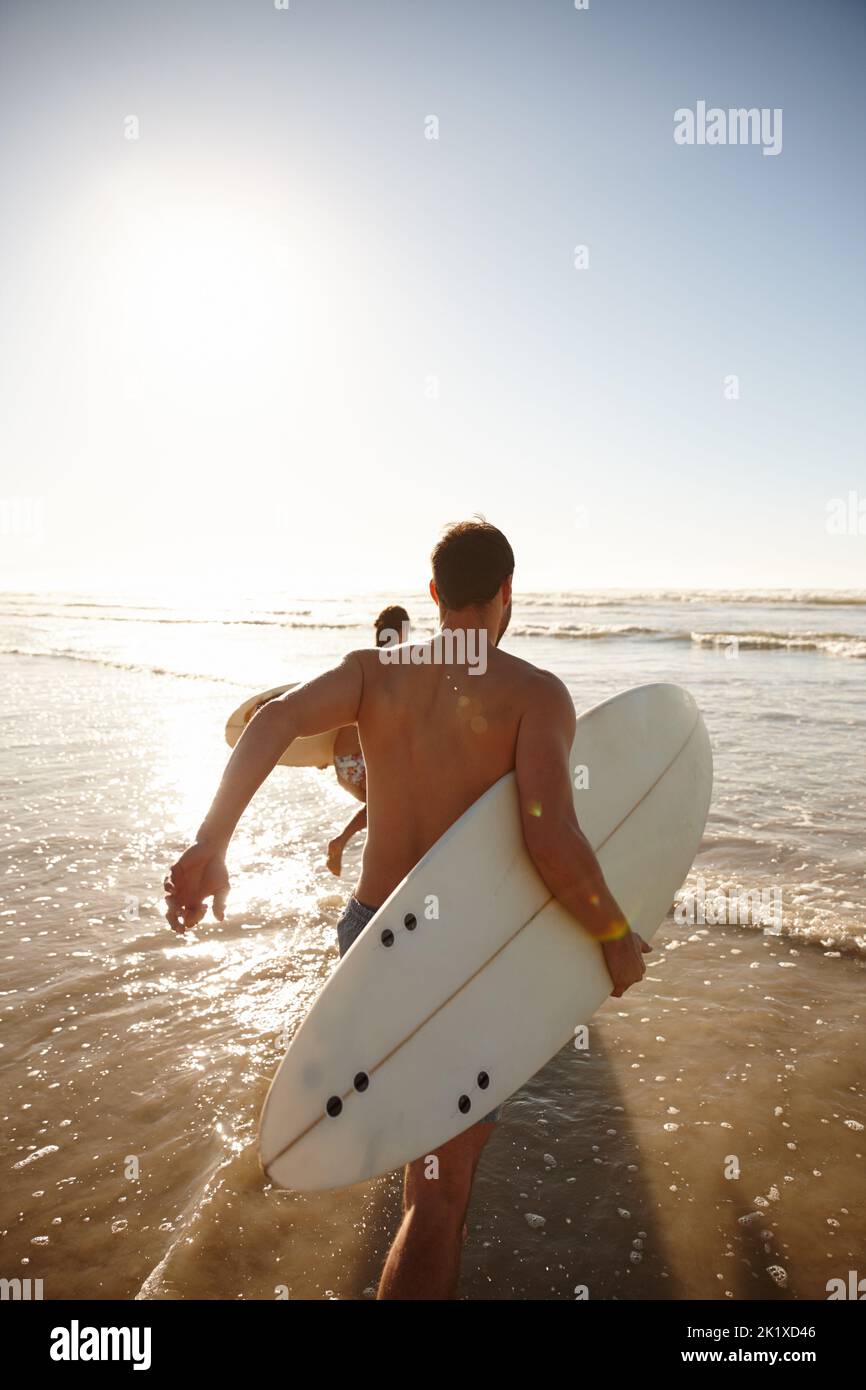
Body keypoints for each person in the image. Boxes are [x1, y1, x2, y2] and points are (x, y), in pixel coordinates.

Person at [164, 518, 650, 1300]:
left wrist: (210, 843)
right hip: (460, 959)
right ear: (506, 593)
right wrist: (615, 934)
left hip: (369, 937)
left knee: (414, 1169)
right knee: (437, 1198)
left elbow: (271, 720)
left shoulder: (373, 674)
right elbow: (551, 837)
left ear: (433, 595)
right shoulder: (534, 694)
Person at [326, 605, 409, 876]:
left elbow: (340, 715)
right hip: (358, 765)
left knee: (383, 813)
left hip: (343, 765)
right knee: (389, 807)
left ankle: (374, 865)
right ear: (399, 632)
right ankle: (346, 846)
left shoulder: (365, 667)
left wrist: (323, 756)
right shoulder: (394, 669)